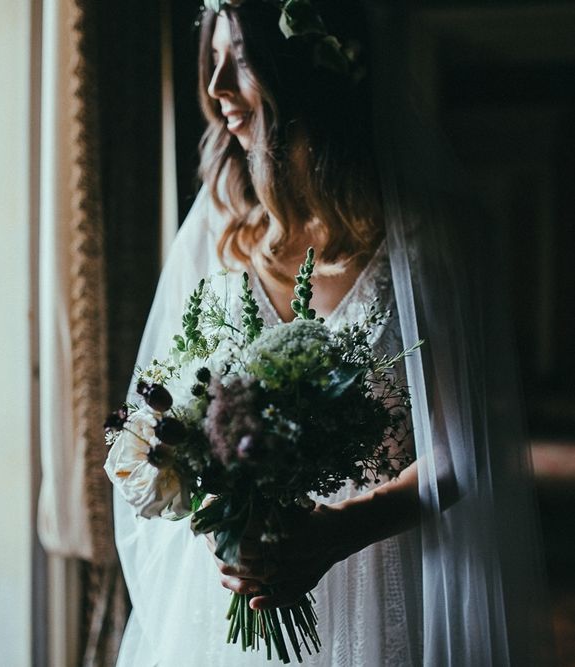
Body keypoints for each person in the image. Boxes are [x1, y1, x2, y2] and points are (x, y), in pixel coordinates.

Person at [112, 2, 552, 665]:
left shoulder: (426, 238)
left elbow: (461, 451)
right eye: (211, 61)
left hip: (379, 573)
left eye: (242, 60)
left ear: (305, 64)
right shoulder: (216, 230)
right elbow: (166, 410)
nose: (216, 89)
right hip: (233, 587)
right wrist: (216, 518)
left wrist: (335, 533)